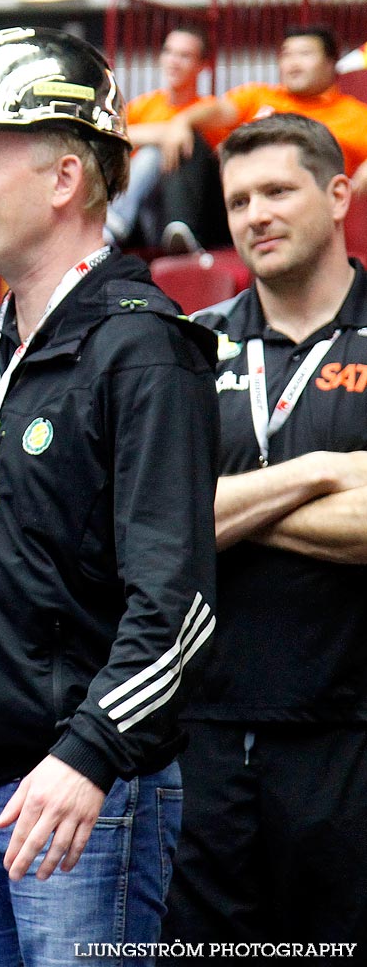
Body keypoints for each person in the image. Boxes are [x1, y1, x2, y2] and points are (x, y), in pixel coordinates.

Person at [0, 27, 220, 966]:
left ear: (63, 181)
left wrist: (87, 756)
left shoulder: (144, 349)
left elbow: (178, 607)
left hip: (78, 802)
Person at [161, 112, 367, 955]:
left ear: (338, 194)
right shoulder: (189, 346)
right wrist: (323, 473)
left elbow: (191, 515)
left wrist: (227, 512)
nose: (256, 214)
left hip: (351, 734)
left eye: (278, 190)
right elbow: (154, 521)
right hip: (203, 741)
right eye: (239, 199)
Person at [172, 24, 367, 200]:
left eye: (304, 54)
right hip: (233, 198)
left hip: (300, 204)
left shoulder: (356, 115)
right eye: (287, 55)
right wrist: (182, 121)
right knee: (188, 142)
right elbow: (218, 110)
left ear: (330, 62)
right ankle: (181, 233)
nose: (293, 63)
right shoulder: (258, 95)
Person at [106, 26, 229, 252]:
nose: (173, 61)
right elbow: (113, 138)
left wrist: (181, 126)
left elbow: (222, 119)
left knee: (164, 149)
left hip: (202, 212)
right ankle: (116, 222)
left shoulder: (207, 109)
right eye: (169, 52)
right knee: (150, 154)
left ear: (202, 65)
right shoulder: (144, 105)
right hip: (148, 212)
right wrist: (166, 133)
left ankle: (118, 223)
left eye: (184, 56)